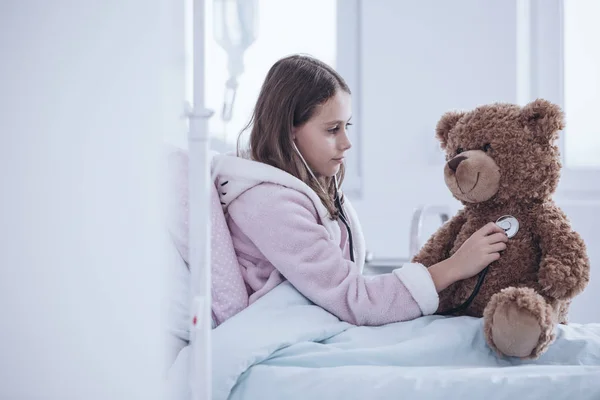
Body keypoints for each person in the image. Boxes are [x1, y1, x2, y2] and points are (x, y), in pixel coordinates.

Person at [212, 54, 507, 326]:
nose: (346, 142)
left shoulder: (307, 187)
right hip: (281, 328)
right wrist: (456, 266)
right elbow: (355, 299)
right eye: (332, 129)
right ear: (289, 128)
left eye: (346, 126)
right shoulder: (270, 204)